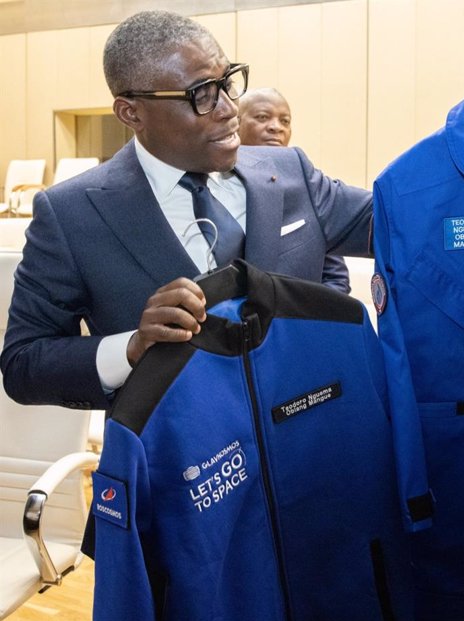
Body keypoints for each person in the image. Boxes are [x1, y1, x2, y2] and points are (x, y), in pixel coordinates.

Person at [0, 10, 372, 412]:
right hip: (180, 463)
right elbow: (24, 364)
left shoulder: (290, 172)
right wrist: (131, 348)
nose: (229, 108)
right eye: (202, 94)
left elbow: (398, 221)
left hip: (313, 445)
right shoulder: (71, 214)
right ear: (131, 113)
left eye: (228, 83)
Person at [238, 86, 350, 293]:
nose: (276, 127)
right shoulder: (218, 184)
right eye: (263, 117)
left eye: (285, 121)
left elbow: (336, 280)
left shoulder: (308, 187)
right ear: (235, 124)